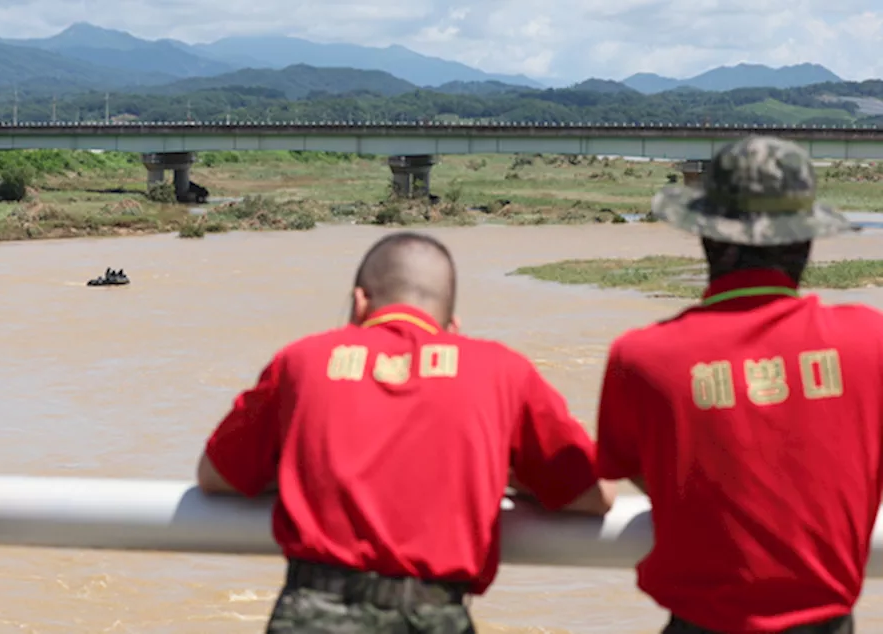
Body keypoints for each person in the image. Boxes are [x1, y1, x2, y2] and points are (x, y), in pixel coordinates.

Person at [196, 231, 615, 633]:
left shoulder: (300, 361)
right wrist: (497, 473)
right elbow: (594, 494)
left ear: (360, 303)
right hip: (435, 614)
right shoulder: (504, 371)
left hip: (315, 611)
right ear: (452, 326)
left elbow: (217, 475)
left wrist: (302, 465)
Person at [595, 136, 869, 634]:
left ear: (706, 236)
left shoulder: (641, 358)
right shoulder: (869, 344)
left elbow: (641, 475)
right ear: (806, 239)